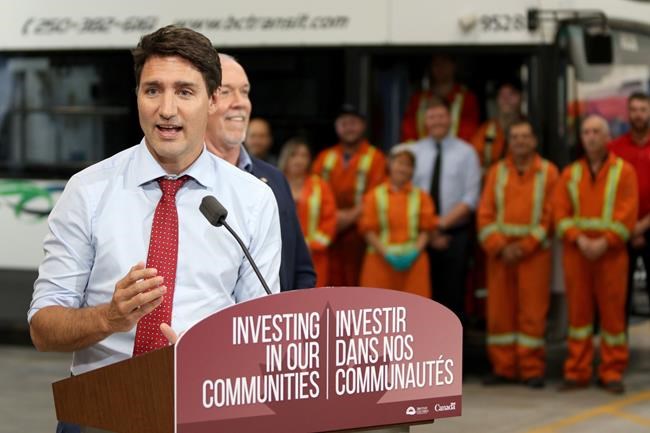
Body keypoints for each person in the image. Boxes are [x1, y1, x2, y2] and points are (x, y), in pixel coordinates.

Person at [27, 26, 281, 432]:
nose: (166, 109)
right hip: (99, 410)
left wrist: (211, 359)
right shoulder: (88, 191)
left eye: (184, 91)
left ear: (212, 100)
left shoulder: (252, 200)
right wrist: (109, 318)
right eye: (152, 90)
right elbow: (43, 328)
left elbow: (263, 331)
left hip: (205, 410)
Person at [205, 54, 316, 291]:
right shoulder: (181, 182)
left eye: (244, 92)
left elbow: (300, 268)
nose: (240, 102)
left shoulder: (274, 180)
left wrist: (299, 312)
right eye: (226, 91)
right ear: (201, 103)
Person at [554, 114, 638, 394]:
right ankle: (577, 371)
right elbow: (560, 213)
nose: (590, 137)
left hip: (611, 255)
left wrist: (605, 241)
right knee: (578, 317)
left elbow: (627, 213)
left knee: (613, 317)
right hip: (577, 254)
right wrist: (579, 239)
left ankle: (612, 372)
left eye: (596, 132)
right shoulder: (570, 173)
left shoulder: (624, 171)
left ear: (607, 137)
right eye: (586, 132)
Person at [477, 119, 559, 389]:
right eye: (515, 137)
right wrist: (501, 247)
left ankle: (531, 368)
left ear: (534, 141)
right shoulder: (496, 172)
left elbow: (550, 216)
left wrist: (524, 247)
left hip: (534, 256)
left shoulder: (549, 172)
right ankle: (503, 367)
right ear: (509, 142)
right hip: (500, 256)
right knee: (499, 313)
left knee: (532, 313)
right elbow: (485, 213)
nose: (520, 141)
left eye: (525, 136)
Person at [410, 97, 481, 322]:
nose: (437, 121)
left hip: (455, 235)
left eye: (441, 116)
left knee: (453, 297)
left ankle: (452, 344)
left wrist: (439, 225)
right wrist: (429, 231)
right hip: (419, 236)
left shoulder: (467, 152)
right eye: (432, 117)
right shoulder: (412, 152)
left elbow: (470, 198)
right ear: (425, 121)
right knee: (420, 298)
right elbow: (408, 195)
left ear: (450, 119)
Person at [311, 104, 387, 287]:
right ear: (337, 127)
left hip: (360, 234)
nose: (349, 128)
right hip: (329, 230)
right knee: (329, 284)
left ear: (363, 126)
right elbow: (314, 190)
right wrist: (333, 217)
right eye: (344, 123)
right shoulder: (325, 157)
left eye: (353, 123)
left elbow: (376, 194)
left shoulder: (375, 157)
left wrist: (350, 216)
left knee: (358, 286)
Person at [359, 144, 437, 297]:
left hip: (414, 265)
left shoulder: (422, 197)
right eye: (399, 163)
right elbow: (367, 230)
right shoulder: (373, 196)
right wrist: (387, 254)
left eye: (408, 165)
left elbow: (426, 229)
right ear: (390, 164)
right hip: (379, 264)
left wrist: (414, 253)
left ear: (413, 170)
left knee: (415, 309)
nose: (403, 169)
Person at [608, 92, 650, 314]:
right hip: (622, 230)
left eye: (643, 109)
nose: (638, 115)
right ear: (627, 113)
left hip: (647, 225)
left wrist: (642, 226)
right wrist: (630, 226)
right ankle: (619, 338)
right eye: (633, 110)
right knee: (619, 297)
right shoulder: (614, 149)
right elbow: (608, 192)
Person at [278, 138, 337, 287]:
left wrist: (310, 246)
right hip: (280, 254)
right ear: (286, 157)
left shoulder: (320, 186)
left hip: (314, 256)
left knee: (313, 296)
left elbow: (330, 220)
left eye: (304, 155)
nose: (299, 160)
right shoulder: (275, 183)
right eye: (294, 155)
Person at [401, 54, 479, 143]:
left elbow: (470, 129)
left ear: (454, 65)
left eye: (444, 62)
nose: (440, 67)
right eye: (436, 64)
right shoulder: (418, 99)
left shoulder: (467, 98)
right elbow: (408, 130)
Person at [471, 82, 523, 175]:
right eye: (502, 95)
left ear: (521, 97)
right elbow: (473, 160)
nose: (506, 99)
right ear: (497, 99)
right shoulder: (486, 130)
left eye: (512, 94)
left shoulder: (529, 129)